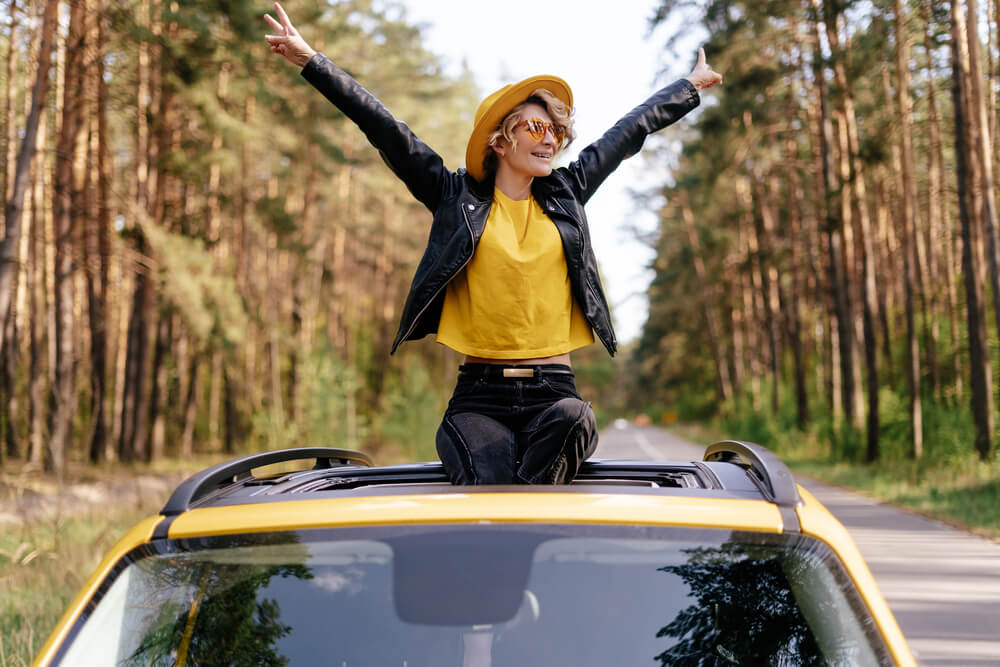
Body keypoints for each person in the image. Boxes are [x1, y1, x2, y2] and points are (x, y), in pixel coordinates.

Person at [264, 2, 721, 485]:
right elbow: (385, 128)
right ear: (500, 141)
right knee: (492, 483)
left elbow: (628, 132)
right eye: (537, 127)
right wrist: (313, 61)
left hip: (554, 394)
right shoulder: (452, 195)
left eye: (558, 131)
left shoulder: (568, 192)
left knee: (574, 421)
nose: (552, 139)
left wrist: (688, 87)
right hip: (478, 397)